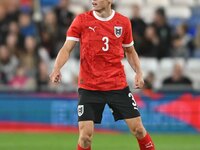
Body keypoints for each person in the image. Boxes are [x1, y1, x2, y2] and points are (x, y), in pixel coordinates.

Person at [50, 0, 155, 150]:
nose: (93, 1)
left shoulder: (123, 22)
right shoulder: (81, 20)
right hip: (89, 87)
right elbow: (67, 48)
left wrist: (138, 72)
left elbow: (130, 51)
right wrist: (56, 68)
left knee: (138, 129)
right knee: (85, 137)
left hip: (117, 85)